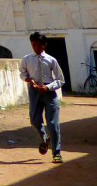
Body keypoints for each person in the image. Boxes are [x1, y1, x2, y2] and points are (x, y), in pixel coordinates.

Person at [18, 32, 64, 163]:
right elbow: (22, 72)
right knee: (34, 120)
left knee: (53, 123)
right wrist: (27, 79)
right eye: (34, 45)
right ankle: (44, 138)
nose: (36, 48)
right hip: (34, 92)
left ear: (44, 45)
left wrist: (48, 87)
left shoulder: (51, 60)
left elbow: (60, 80)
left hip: (49, 92)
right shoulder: (27, 59)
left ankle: (56, 153)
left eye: (39, 45)